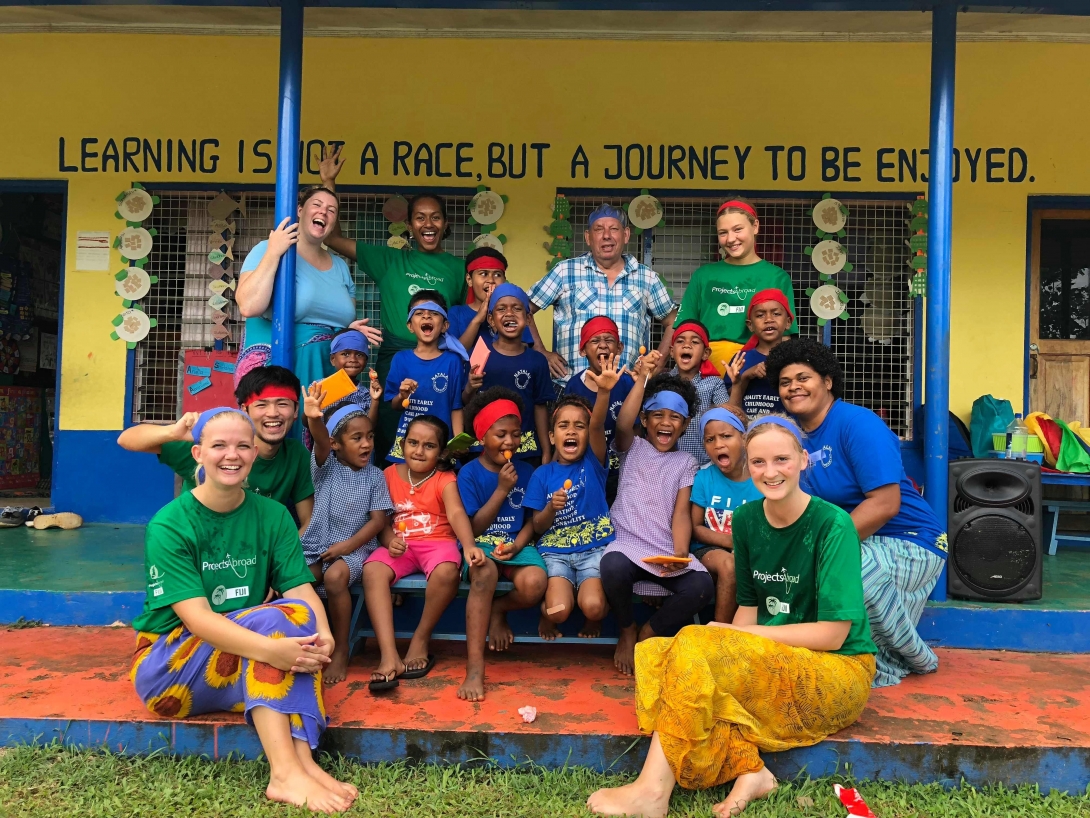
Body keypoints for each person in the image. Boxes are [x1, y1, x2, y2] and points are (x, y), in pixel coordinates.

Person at [587, 415, 876, 818]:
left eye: (782, 460)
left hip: (836, 672)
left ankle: (652, 792)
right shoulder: (746, 521)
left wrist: (738, 641)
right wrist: (728, 646)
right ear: (748, 463)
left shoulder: (833, 525)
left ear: (803, 460)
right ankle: (750, 770)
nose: (770, 472)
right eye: (759, 462)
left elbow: (832, 634)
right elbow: (750, 607)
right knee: (659, 654)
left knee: (696, 646)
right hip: (774, 659)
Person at [129, 407, 357, 813]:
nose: (231, 455)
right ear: (197, 454)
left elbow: (300, 587)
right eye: (218, 446)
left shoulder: (273, 515)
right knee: (275, 623)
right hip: (169, 668)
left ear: (254, 453)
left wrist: (325, 636)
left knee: (301, 620)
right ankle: (284, 773)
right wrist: (274, 650)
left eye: (241, 446)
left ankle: (304, 764)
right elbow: (196, 619)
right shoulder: (170, 523)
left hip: (235, 655)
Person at [766, 337, 948, 688]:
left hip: (909, 538)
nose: (793, 388)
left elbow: (885, 503)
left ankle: (907, 658)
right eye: (785, 383)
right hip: (853, 538)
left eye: (803, 378)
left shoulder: (857, 423)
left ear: (827, 381)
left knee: (849, 575)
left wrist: (824, 550)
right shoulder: (793, 436)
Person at [321, 150, 467, 461]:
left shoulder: (457, 268)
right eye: (420, 217)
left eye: (435, 217)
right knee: (389, 430)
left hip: (440, 360)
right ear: (410, 225)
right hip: (395, 358)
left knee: (434, 431)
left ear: (445, 223)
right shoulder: (389, 259)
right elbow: (333, 239)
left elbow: (465, 319)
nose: (428, 224)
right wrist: (328, 182)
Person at [599, 357, 714, 676]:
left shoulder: (686, 461)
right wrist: (643, 377)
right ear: (646, 420)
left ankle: (648, 632)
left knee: (702, 585)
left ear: (686, 424)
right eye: (658, 415)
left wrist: (679, 554)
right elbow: (622, 424)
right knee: (612, 567)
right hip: (628, 547)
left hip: (665, 552)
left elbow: (681, 512)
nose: (666, 422)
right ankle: (627, 629)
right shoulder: (631, 446)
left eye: (675, 417)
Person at [234, 186, 382, 433]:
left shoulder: (340, 266)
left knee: (326, 447)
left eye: (331, 210)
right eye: (317, 205)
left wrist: (348, 333)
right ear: (300, 211)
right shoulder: (267, 248)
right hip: (282, 366)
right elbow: (249, 306)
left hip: (327, 372)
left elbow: (337, 318)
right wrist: (274, 251)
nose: (324, 211)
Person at [362, 415, 486, 692]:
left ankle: (420, 638)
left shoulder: (445, 478)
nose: (418, 451)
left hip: (437, 542)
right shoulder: (389, 474)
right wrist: (389, 538)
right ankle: (388, 654)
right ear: (402, 444)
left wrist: (468, 545)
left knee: (446, 573)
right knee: (371, 571)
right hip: (401, 545)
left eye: (428, 446)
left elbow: (455, 513)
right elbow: (381, 519)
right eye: (413, 443)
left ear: (441, 452)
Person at [117, 366, 315, 533]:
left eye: (282, 404)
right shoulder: (211, 445)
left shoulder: (295, 454)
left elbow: (307, 521)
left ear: (296, 410)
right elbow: (126, 439)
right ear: (244, 410)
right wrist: (174, 433)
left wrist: (282, 562)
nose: (273, 413)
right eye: (261, 405)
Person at [456, 388, 549, 701]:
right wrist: (501, 490)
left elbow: (530, 524)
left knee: (535, 583)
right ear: (482, 436)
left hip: (516, 544)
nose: (509, 442)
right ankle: (475, 668)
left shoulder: (527, 471)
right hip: (480, 544)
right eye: (500, 434)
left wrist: (516, 546)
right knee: (485, 574)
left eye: (515, 434)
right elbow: (472, 527)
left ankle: (498, 610)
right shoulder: (469, 474)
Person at [300, 385, 393, 686]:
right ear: (335, 444)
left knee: (335, 577)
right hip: (318, 543)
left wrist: (346, 546)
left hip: (355, 548)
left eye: (369, 437)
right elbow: (319, 440)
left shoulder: (375, 476)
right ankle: (298, 640)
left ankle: (340, 649)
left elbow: (379, 521)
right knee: (294, 575)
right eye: (356, 438)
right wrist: (314, 416)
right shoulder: (324, 467)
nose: (366, 444)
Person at [528, 203, 677, 384]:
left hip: (625, 388)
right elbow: (524, 308)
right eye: (599, 229)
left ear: (626, 235)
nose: (606, 236)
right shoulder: (565, 271)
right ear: (588, 237)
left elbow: (673, 322)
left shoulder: (646, 277)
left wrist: (657, 365)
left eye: (614, 229)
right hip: (570, 387)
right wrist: (540, 351)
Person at [524, 392, 613, 640]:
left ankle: (592, 616)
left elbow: (597, 425)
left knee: (594, 607)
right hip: (555, 553)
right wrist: (551, 507)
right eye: (563, 426)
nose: (571, 431)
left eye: (579, 426)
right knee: (558, 611)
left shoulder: (593, 463)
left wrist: (604, 391)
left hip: (593, 551)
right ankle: (547, 613)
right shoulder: (542, 474)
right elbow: (538, 526)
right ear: (552, 437)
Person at [675, 198, 796, 375]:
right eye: (723, 233)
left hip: (756, 369)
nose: (730, 239)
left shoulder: (777, 277)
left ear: (755, 226)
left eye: (738, 229)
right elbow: (683, 328)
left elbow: (785, 337)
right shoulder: (703, 275)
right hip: (704, 370)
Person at [462, 283, 553, 464]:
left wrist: (546, 450)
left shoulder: (537, 361)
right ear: (491, 319)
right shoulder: (478, 354)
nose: (509, 313)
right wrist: (470, 388)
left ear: (528, 318)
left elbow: (540, 407)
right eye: (501, 309)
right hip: (483, 449)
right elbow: (465, 402)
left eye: (517, 308)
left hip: (526, 450)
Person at [691, 407, 763, 625]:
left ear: (744, 439)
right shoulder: (704, 478)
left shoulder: (760, 478)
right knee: (730, 565)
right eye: (710, 439)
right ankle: (718, 633)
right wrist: (730, 541)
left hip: (752, 551)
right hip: (710, 549)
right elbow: (696, 527)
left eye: (726, 436)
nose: (718, 444)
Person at [384, 291, 467, 463]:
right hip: (410, 444)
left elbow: (456, 405)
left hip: (440, 444)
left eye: (434, 313)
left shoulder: (453, 361)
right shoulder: (400, 359)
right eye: (419, 313)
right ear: (410, 326)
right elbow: (395, 405)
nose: (426, 316)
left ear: (444, 325)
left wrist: (458, 440)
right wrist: (402, 395)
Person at [563, 316, 635, 504]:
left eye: (609, 340)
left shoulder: (627, 383)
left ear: (619, 348)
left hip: (622, 472)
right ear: (582, 350)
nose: (602, 345)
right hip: (585, 470)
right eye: (594, 340)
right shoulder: (574, 386)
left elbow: (636, 430)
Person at [448, 247, 536, 351]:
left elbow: (521, 351)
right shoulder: (456, 313)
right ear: (469, 279)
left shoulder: (512, 314)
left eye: (497, 274)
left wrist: (497, 320)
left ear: (504, 280)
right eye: (483, 274)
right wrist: (477, 320)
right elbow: (454, 355)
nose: (491, 280)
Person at [668, 319, 730, 466]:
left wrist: (738, 383)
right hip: (669, 463)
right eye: (680, 341)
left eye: (695, 342)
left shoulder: (714, 384)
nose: (687, 345)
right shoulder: (663, 382)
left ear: (705, 353)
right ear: (671, 351)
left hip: (704, 464)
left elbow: (728, 418)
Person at [724, 289, 793, 418]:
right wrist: (746, 376)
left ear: (788, 322)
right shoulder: (741, 359)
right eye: (760, 315)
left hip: (784, 429)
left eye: (776, 314)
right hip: (747, 429)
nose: (768, 320)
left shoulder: (795, 358)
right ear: (750, 325)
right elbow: (729, 401)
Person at [326, 328, 383, 420]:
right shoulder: (319, 388)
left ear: (366, 361)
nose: (353, 359)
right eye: (345, 354)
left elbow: (370, 427)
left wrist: (375, 400)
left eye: (359, 355)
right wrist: (313, 405)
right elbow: (306, 422)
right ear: (333, 359)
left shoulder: (366, 394)